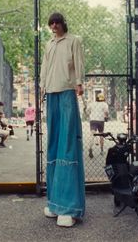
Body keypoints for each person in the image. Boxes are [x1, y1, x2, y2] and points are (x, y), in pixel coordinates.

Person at [39, 12, 85, 227]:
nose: (54, 26)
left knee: (67, 145)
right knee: (54, 144)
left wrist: (79, 83)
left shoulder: (74, 40)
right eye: (51, 24)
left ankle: (70, 207)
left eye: (57, 23)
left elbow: (78, 63)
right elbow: (45, 66)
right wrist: (41, 87)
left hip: (67, 92)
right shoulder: (49, 44)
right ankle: (56, 203)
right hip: (51, 94)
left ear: (63, 23)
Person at [87, 94, 109, 158]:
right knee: (101, 135)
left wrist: (90, 114)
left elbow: (87, 111)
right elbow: (106, 112)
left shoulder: (92, 104)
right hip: (101, 120)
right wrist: (106, 116)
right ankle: (102, 150)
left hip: (93, 120)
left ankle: (90, 147)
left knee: (92, 134)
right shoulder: (104, 104)